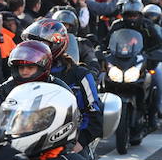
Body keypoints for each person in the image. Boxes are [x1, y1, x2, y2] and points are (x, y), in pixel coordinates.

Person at [23, 19, 105, 149]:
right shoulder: (23, 73)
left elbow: (94, 116)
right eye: (32, 43)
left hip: (67, 143)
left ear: (56, 45)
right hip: (27, 142)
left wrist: (79, 143)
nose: (35, 49)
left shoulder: (80, 75)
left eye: (41, 44)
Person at [108, 0, 162, 128]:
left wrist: (155, 53)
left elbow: (158, 43)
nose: (132, 18)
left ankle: (155, 111)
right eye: (129, 15)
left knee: (161, 80)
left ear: (140, 14)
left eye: (135, 15)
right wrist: (100, 51)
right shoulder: (117, 26)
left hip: (144, 63)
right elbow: (106, 43)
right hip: (120, 63)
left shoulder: (147, 26)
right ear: (123, 15)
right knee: (100, 79)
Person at [0, 40, 72, 107]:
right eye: (21, 67)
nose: (24, 72)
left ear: (43, 67)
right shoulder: (5, 89)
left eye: (30, 68)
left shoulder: (58, 88)